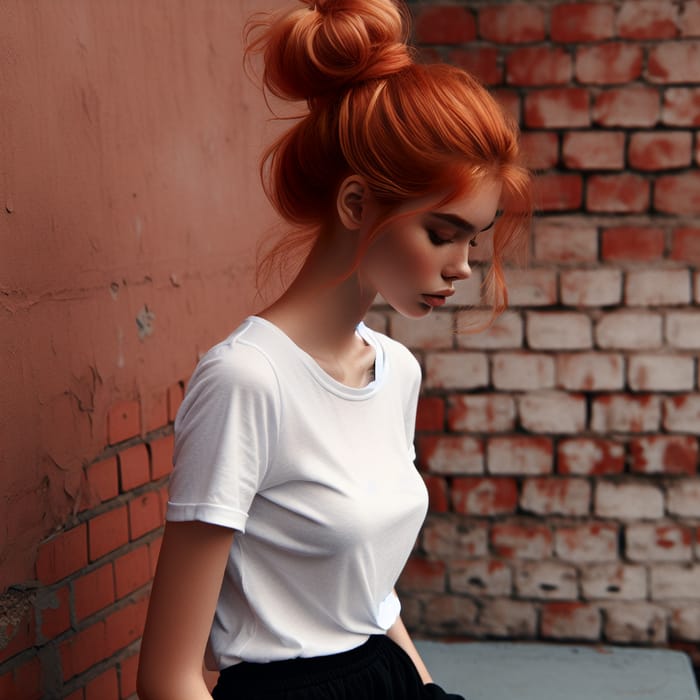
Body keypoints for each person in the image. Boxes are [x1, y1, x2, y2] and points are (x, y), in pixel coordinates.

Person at [137, 0, 532, 698]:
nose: (464, 266)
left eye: (474, 238)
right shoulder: (247, 381)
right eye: (443, 234)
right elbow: (168, 676)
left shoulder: (396, 371)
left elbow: (370, 602)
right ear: (356, 205)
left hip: (389, 678)